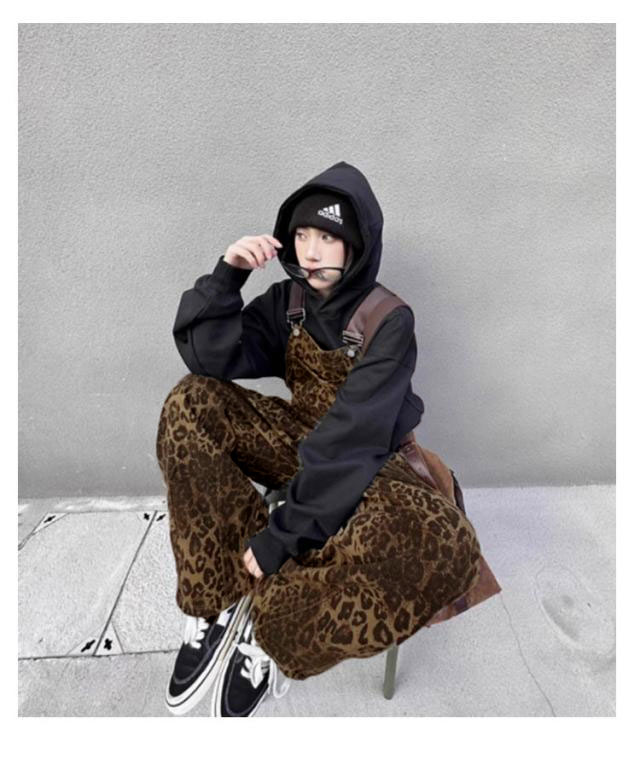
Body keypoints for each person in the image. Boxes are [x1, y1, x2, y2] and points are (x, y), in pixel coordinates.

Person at [156, 160, 484, 717]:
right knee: (192, 400)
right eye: (302, 235)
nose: (309, 252)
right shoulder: (288, 302)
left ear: (357, 245)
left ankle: (273, 629)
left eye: (327, 238)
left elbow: (354, 435)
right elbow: (210, 358)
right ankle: (220, 594)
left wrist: (282, 536)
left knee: (448, 546)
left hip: (372, 461)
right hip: (298, 436)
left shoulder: (389, 320)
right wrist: (227, 276)